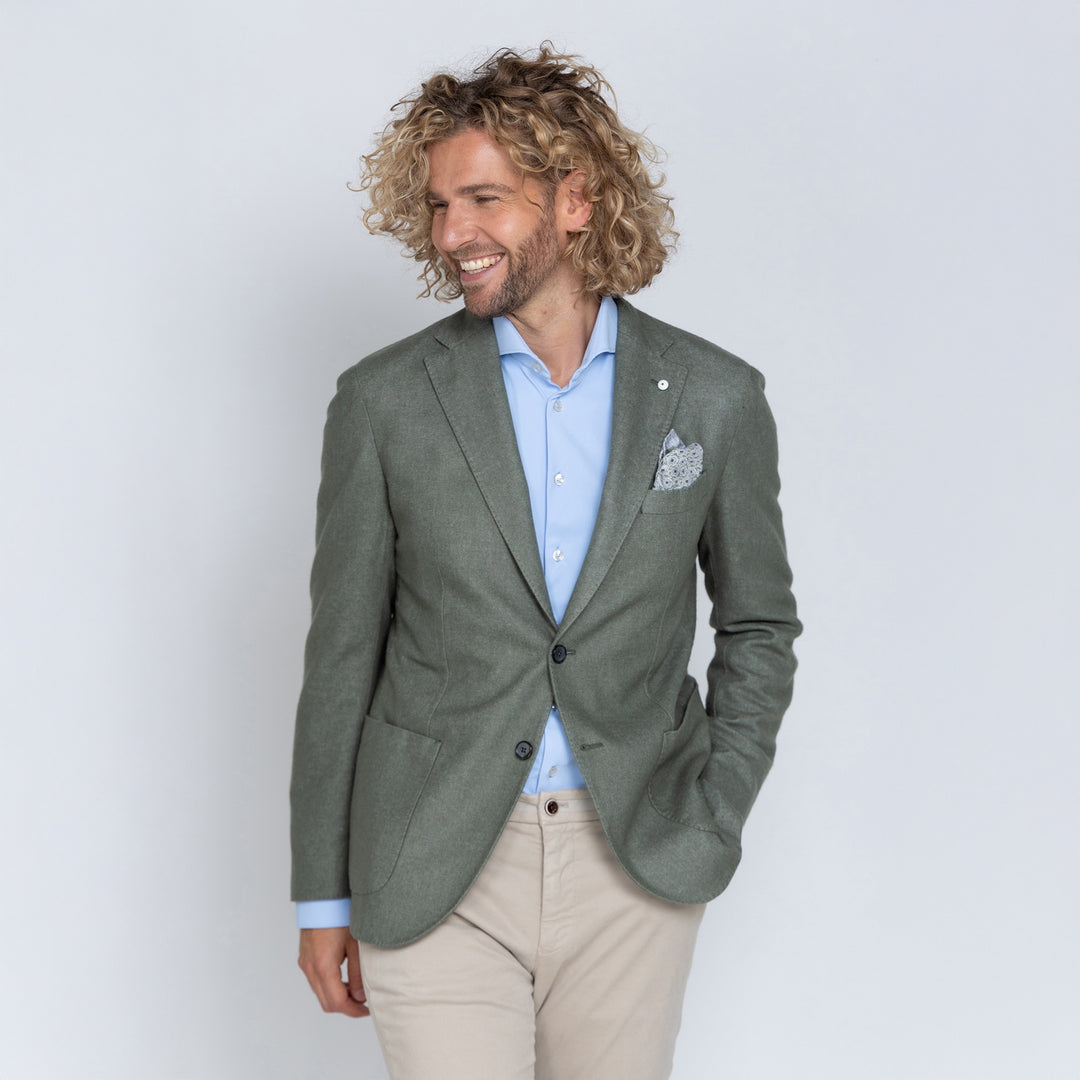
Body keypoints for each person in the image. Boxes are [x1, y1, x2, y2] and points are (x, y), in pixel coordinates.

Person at [290, 44, 800, 1080]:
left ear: (576, 200)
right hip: (432, 853)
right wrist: (320, 896)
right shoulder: (384, 403)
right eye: (440, 206)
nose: (452, 235)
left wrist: (712, 807)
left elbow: (758, 624)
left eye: (483, 200)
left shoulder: (715, 397)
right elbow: (342, 653)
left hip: (635, 860)